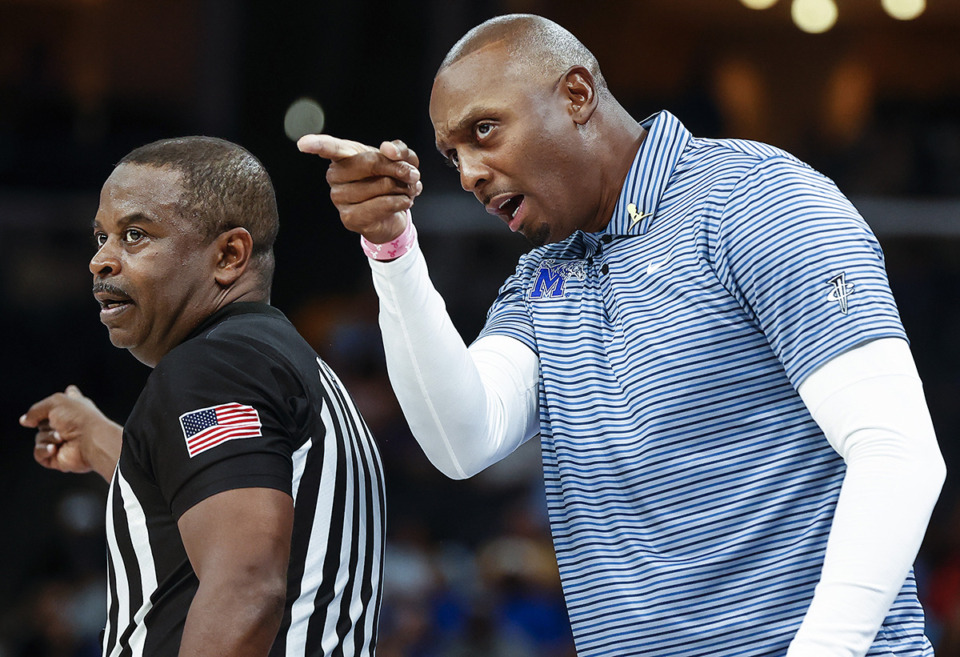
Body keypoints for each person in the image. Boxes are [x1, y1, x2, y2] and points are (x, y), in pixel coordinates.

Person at [296, 13, 947, 657]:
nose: (468, 173)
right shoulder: (545, 278)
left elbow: (897, 450)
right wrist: (393, 251)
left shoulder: (755, 199)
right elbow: (461, 439)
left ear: (577, 94)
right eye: (453, 155)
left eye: (485, 130)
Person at [19, 137, 386, 657]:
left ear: (229, 255)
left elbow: (246, 589)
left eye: (135, 235)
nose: (100, 260)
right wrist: (100, 439)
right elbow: (214, 492)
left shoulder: (215, 369)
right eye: (101, 237)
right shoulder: (289, 366)